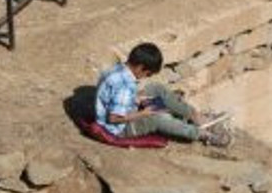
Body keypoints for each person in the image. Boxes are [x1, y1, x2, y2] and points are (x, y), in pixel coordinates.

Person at [95, 42, 231, 147]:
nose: (145, 77)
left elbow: (115, 94)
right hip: (119, 129)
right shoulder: (124, 87)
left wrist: (135, 99)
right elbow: (113, 119)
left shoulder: (118, 69)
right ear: (140, 67)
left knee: (156, 88)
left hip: (122, 108)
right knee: (157, 118)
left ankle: (196, 117)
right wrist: (143, 114)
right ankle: (201, 134)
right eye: (147, 74)